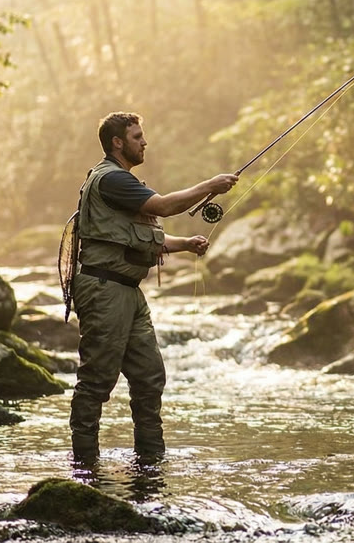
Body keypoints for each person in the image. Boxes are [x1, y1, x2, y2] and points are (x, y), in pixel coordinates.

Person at [69, 111, 238, 462]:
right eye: (136, 136)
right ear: (118, 142)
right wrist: (210, 185)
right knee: (97, 380)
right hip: (104, 288)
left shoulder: (122, 183)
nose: (144, 142)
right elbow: (164, 206)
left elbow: (139, 239)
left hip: (127, 290)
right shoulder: (112, 180)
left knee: (148, 377)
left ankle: (150, 464)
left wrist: (185, 244)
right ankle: (84, 467)